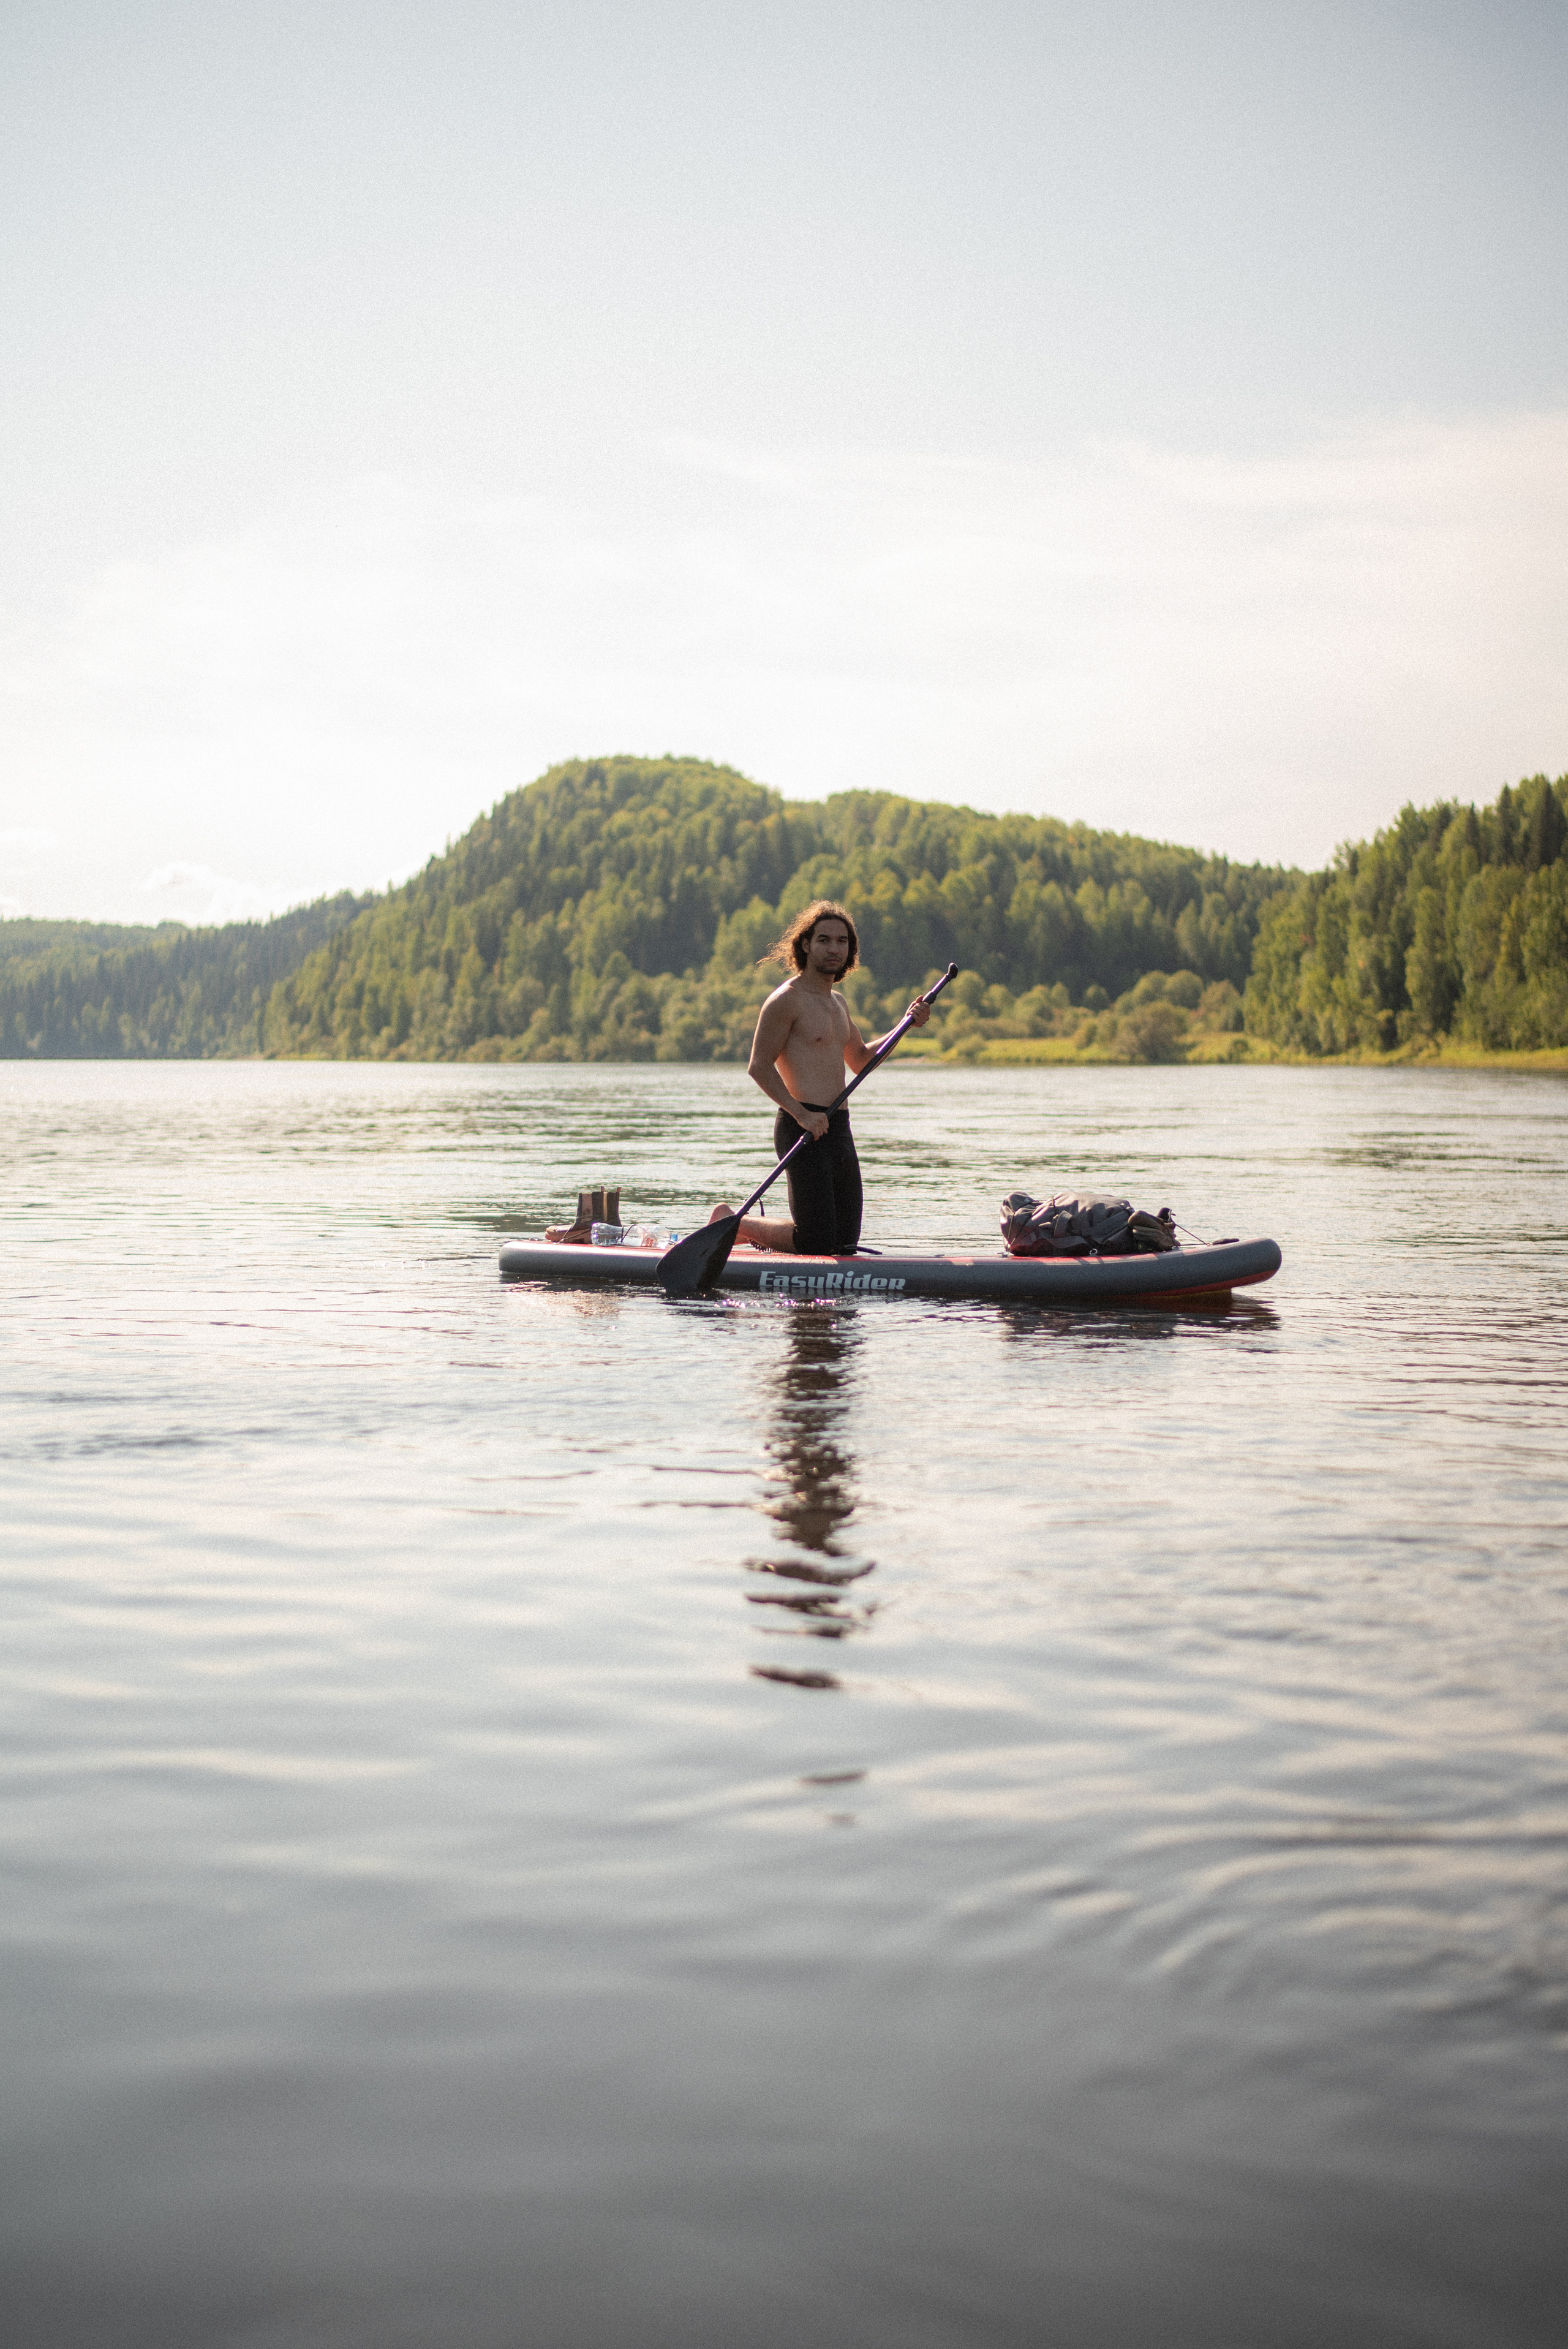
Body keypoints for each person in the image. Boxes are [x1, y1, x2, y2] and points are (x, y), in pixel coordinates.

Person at [707, 899, 931, 1255]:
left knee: (844, 1243)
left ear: (850, 950)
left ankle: (749, 1229)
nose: (834, 948)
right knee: (816, 1240)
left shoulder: (837, 1003)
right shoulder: (786, 1000)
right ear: (806, 945)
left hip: (837, 1126)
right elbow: (758, 1066)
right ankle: (734, 1222)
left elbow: (859, 1061)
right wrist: (802, 1115)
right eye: (824, 940)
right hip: (801, 1125)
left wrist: (903, 1027)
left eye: (842, 941)